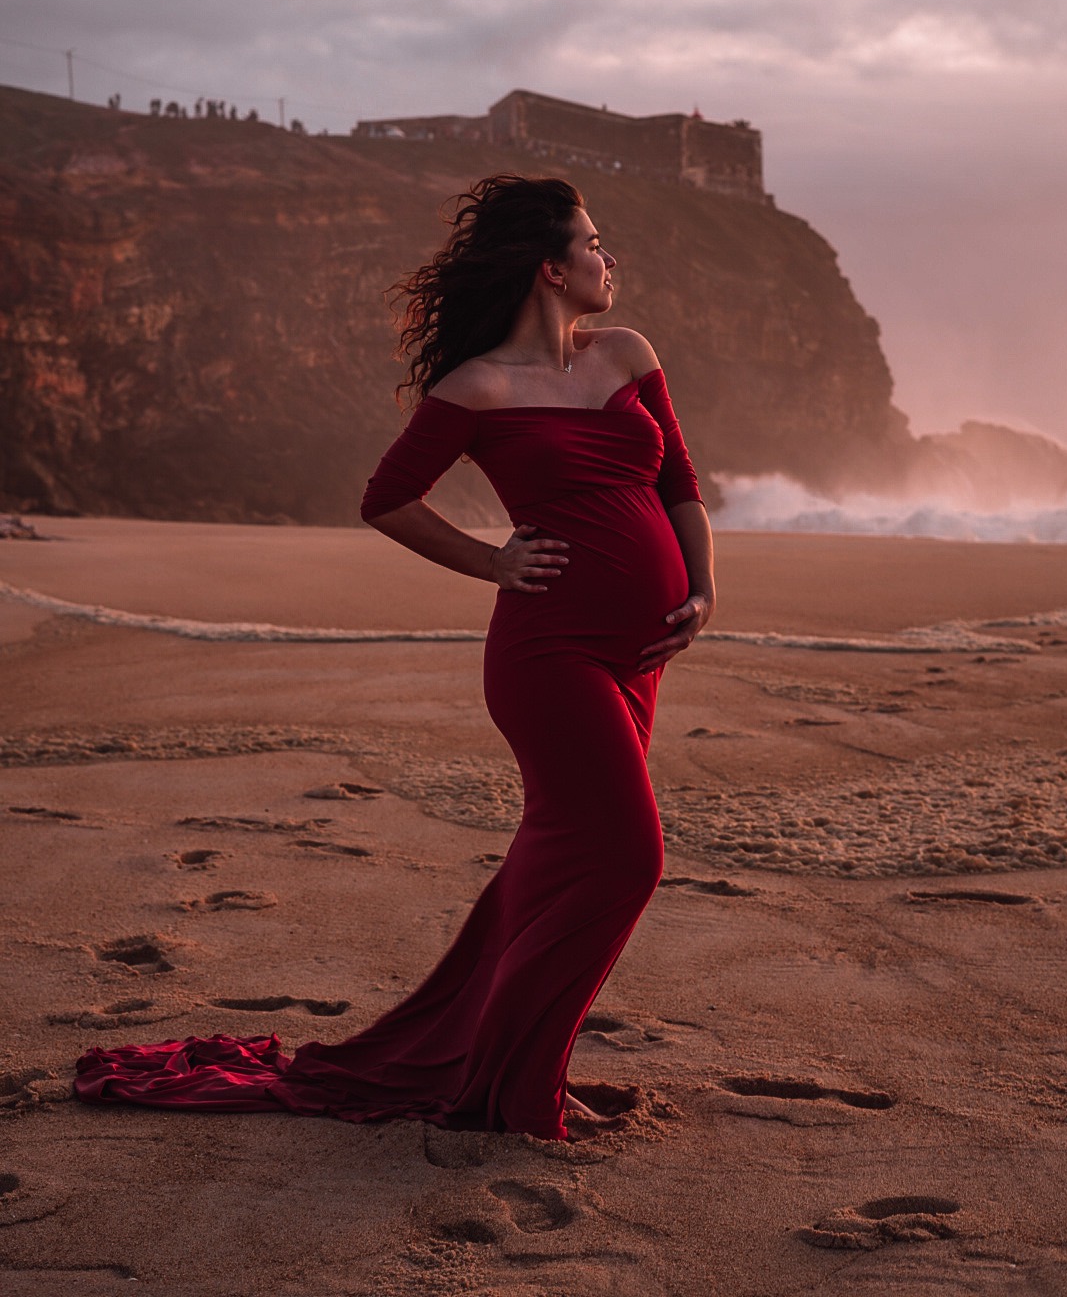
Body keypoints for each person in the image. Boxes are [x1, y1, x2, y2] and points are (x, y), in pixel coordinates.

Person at [73, 173, 714, 1143]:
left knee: (549, 872)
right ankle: (518, 1081)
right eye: (594, 242)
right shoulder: (478, 388)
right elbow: (388, 496)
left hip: (641, 656)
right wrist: (493, 556)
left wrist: (702, 587)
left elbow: (677, 479)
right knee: (628, 852)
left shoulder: (628, 353)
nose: (609, 257)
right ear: (550, 267)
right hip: (550, 657)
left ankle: (514, 1062)